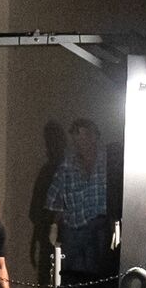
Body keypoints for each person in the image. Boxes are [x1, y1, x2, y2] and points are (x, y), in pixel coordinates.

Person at [45, 118, 109, 277]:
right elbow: (56, 198)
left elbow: (116, 194)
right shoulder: (68, 164)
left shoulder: (108, 161)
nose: (81, 142)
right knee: (72, 276)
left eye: (85, 136)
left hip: (100, 227)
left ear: (94, 136)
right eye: (77, 138)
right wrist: (54, 226)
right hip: (74, 229)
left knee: (99, 274)